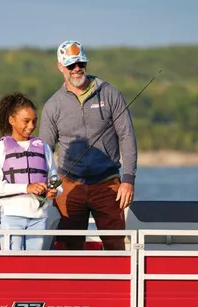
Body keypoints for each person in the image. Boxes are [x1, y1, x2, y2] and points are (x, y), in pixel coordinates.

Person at [39, 41, 137, 250]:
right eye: (71, 65)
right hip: (68, 185)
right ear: (60, 66)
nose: (77, 69)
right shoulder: (53, 105)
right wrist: (46, 185)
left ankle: (117, 282)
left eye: (81, 63)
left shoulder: (110, 94)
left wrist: (128, 180)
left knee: (115, 244)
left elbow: (127, 135)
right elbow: (45, 150)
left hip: (108, 183)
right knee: (68, 245)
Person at [0, 92, 60, 251]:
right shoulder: (0, 148)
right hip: (11, 216)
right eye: (26, 121)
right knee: (11, 264)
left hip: (39, 217)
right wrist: (27, 187)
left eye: (34, 121)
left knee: (35, 264)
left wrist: (54, 191)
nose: (31, 126)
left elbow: (54, 178)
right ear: (11, 120)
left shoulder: (44, 147)